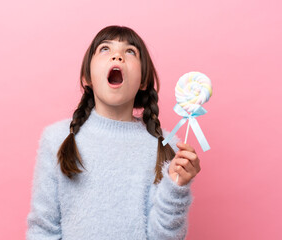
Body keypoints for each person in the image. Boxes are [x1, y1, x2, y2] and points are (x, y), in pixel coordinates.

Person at [26, 25, 201, 240]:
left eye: (130, 51)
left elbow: (164, 237)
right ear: (87, 77)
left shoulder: (166, 146)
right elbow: (42, 230)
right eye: (105, 49)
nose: (117, 56)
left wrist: (177, 188)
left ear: (144, 81)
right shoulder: (56, 139)